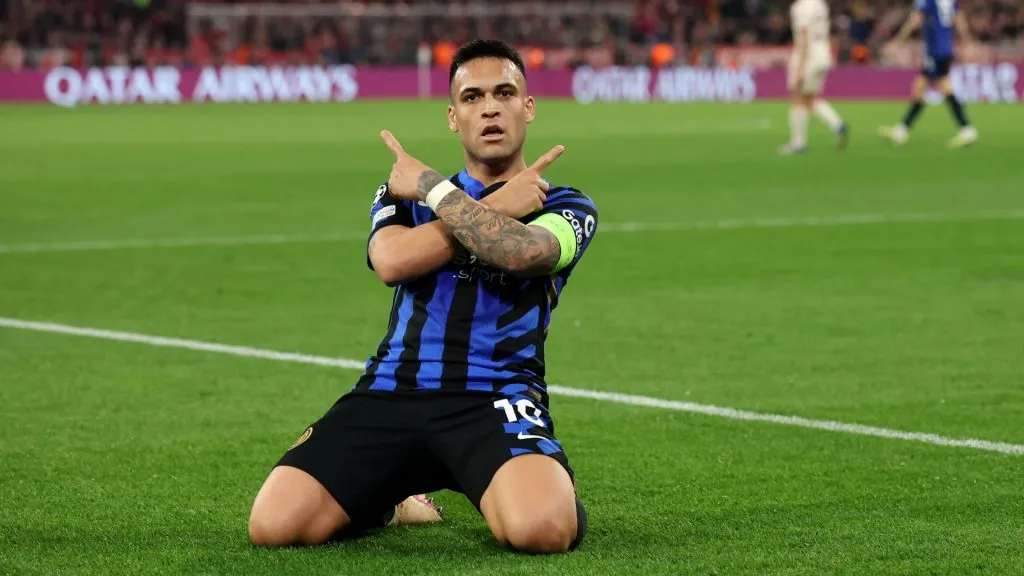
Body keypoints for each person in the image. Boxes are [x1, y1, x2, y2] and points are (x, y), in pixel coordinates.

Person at [247, 39, 597, 554]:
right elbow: (392, 262)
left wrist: (434, 189)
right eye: (473, 97)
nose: (490, 107)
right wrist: (492, 204)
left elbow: (527, 253)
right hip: (391, 392)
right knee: (275, 527)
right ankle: (393, 502)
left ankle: (549, 487)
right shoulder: (401, 194)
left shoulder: (565, 202)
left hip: (494, 396)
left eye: (504, 92)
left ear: (528, 107)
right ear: (454, 117)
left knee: (540, 531)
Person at [878, 0, 978, 148]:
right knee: (920, 87)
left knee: (944, 88)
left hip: (935, 50)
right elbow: (959, 19)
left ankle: (967, 129)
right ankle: (902, 130)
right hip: (945, 48)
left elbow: (915, 19)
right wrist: (967, 40)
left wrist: (898, 40)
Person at [779, 0, 849, 155]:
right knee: (809, 98)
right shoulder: (820, 4)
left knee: (798, 97)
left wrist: (800, 66)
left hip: (809, 54)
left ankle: (798, 143)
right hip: (823, 53)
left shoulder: (801, 7)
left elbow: (803, 34)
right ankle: (837, 124)